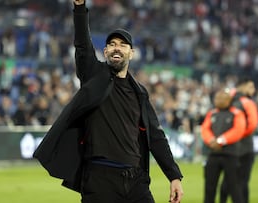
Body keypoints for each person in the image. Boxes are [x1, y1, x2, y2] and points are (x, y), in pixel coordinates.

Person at [33, 1, 184, 203]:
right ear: (105, 52)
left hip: (136, 180)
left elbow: (155, 137)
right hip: (99, 179)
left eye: (123, 45)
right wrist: (79, 8)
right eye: (112, 44)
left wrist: (174, 175)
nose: (117, 48)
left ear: (132, 53)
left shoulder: (140, 92)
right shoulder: (94, 76)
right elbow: (83, 46)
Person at [201, 88, 246, 203]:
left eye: (221, 98)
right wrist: (211, 140)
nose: (218, 100)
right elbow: (205, 129)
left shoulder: (237, 113)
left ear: (229, 100)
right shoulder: (212, 113)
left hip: (231, 154)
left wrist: (220, 141)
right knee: (209, 187)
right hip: (214, 154)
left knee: (234, 187)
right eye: (217, 98)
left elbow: (238, 130)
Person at [220, 77, 258, 203]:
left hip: (228, 148)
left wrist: (227, 137)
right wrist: (238, 134)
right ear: (243, 86)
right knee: (242, 182)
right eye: (251, 87)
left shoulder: (226, 99)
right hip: (245, 148)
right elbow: (253, 124)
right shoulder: (247, 102)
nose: (253, 90)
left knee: (226, 183)